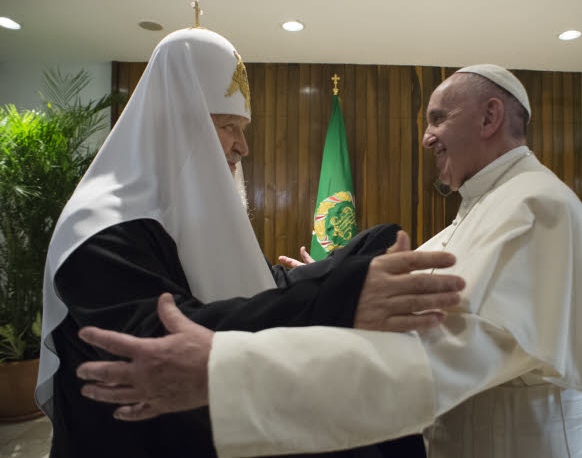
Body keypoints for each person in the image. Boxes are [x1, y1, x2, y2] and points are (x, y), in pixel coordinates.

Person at [77, 65, 582, 458]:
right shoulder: (484, 202)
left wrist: (225, 371)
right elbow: (413, 288)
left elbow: (433, 354)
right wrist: (322, 274)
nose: (425, 136)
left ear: (490, 116)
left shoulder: (535, 206)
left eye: (436, 118)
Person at [36, 26, 466, 458]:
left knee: (381, 240)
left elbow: (250, 282)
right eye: (228, 127)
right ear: (177, 123)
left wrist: (340, 268)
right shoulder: (100, 226)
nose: (243, 146)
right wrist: (342, 292)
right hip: (139, 442)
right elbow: (170, 342)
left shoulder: (183, 213)